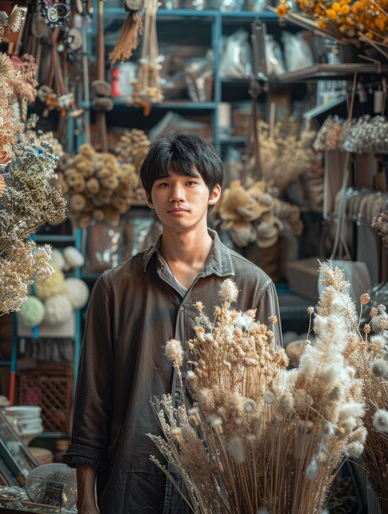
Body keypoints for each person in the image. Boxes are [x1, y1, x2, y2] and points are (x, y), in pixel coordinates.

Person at [64, 132, 282, 514]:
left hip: (218, 490)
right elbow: (92, 398)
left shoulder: (252, 287)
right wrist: (86, 498)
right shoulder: (115, 287)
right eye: (164, 184)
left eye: (189, 183)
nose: (176, 195)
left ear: (213, 193)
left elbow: (269, 406)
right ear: (149, 197)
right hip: (131, 488)